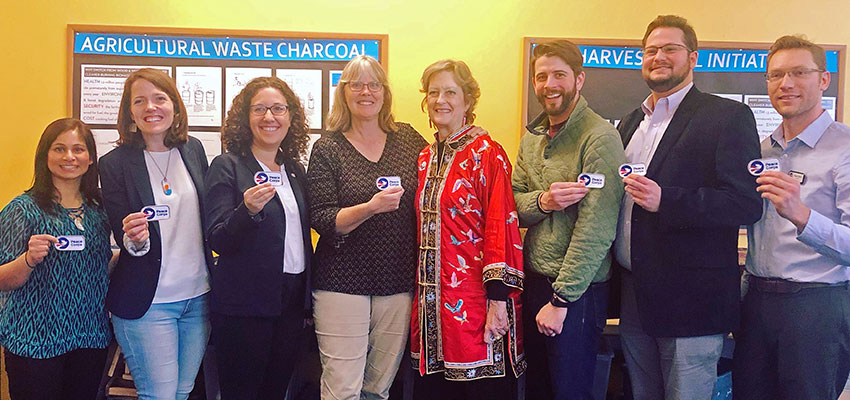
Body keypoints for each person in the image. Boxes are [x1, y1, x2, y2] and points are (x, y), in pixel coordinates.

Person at [613, 15, 762, 399]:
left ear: (693, 57)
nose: (658, 57)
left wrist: (668, 200)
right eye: (650, 50)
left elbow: (745, 203)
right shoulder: (629, 124)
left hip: (692, 302)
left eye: (670, 49)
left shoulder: (726, 117)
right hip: (634, 296)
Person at [732, 35, 850, 400]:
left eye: (799, 72)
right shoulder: (759, 150)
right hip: (755, 303)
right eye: (776, 75)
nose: (786, 84)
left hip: (817, 309)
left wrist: (802, 216)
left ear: (824, 79)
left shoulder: (845, 148)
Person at [307, 55, 428, 400]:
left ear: (385, 93)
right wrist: (371, 208)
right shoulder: (328, 147)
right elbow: (323, 218)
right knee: (342, 388)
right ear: (344, 93)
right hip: (342, 283)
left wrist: (470, 128)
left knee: (379, 388)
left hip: (397, 282)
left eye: (374, 84)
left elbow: (442, 171)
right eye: (356, 84)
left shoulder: (407, 138)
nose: (366, 92)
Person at [512, 40, 625, 400]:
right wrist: (544, 201)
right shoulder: (531, 139)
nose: (550, 84)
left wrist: (561, 300)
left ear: (579, 79)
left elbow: (597, 228)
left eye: (559, 74)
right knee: (537, 389)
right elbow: (511, 206)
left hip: (576, 293)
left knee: (569, 392)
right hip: (534, 282)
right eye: (541, 76)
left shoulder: (600, 138)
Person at [411, 59, 524, 400]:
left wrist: (498, 301)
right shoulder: (425, 157)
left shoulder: (487, 153)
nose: (440, 100)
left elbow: (501, 227)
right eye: (433, 92)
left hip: (476, 307)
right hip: (432, 311)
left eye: (450, 92)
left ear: (468, 101)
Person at [99, 68, 212, 399]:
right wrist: (136, 239)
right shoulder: (115, 163)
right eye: (140, 100)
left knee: (182, 391)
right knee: (159, 395)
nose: (151, 107)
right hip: (149, 302)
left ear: (174, 106)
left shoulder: (193, 150)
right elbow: (124, 237)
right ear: (130, 112)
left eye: (160, 98)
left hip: (198, 297)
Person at [204, 76, 313, 399]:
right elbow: (217, 239)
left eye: (278, 109)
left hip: (290, 304)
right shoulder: (227, 166)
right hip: (244, 306)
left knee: (275, 391)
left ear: (291, 117)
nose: (269, 117)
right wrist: (247, 210)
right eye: (260, 109)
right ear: (245, 118)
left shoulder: (293, 170)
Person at [0, 118, 112, 399]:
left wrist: (135, 249)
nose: (69, 157)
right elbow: (2, 279)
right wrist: (28, 259)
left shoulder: (101, 208)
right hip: (34, 339)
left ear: (90, 158)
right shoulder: (22, 209)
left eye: (78, 149)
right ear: (45, 155)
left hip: (89, 336)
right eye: (59, 149)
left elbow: (99, 266)